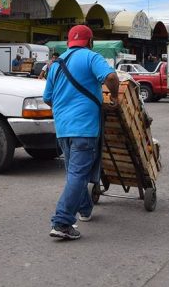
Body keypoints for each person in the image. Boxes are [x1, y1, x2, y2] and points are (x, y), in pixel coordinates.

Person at [44, 24, 119, 240]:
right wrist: (113, 97)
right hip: (84, 128)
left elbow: (48, 97)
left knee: (75, 173)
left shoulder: (56, 64)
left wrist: (64, 107)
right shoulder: (91, 57)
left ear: (69, 42)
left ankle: (85, 210)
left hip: (63, 130)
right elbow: (112, 78)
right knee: (78, 174)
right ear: (90, 41)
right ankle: (62, 222)